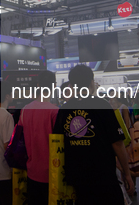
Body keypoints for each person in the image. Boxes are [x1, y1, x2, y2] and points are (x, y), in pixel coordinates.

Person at [54, 65, 134, 204]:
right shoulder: (102, 105)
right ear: (92, 82)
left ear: (72, 85)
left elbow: (58, 144)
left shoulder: (64, 110)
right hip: (103, 177)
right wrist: (127, 174)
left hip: (77, 179)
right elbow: (117, 143)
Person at [19, 71, 59, 205]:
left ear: (37, 85)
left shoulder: (25, 109)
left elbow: (19, 137)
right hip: (52, 173)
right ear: (54, 86)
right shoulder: (55, 111)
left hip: (31, 171)